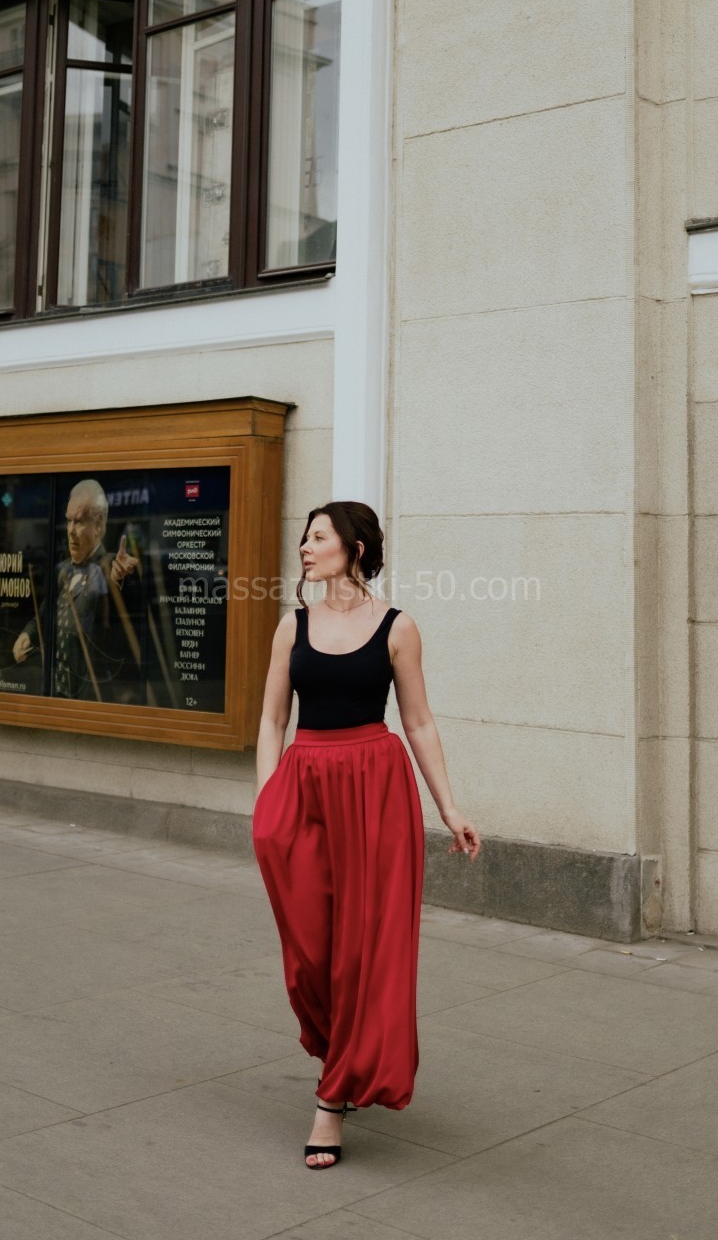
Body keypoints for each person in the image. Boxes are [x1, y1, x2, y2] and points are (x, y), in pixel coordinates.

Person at [252, 501, 481, 1170]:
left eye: (318, 536)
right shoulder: (291, 627)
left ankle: (332, 1100)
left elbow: (419, 722)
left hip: (376, 790)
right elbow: (272, 722)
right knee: (309, 950)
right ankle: (343, 1057)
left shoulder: (397, 626)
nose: (304, 546)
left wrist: (449, 807)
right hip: (304, 787)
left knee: (365, 949)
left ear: (354, 549)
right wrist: (267, 803)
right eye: (304, 537)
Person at [12, 478, 140, 699]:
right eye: (68, 521)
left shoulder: (106, 565)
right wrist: (27, 634)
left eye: (79, 522)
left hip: (90, 696)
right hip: (54, 691)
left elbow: (115, 586)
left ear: (98, 526)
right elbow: (43, 616)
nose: (70, 530)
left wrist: (119, 577)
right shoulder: (61, 570)